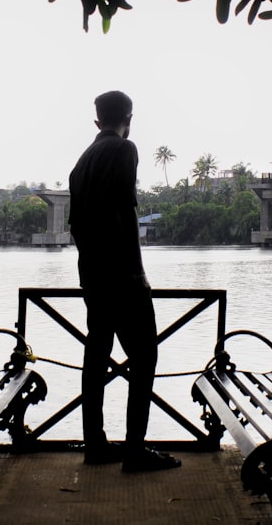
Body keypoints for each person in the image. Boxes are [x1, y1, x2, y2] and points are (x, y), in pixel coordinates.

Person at [68, 90, 181, 473]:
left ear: (97, 121)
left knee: (95, 357)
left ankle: (95, 443)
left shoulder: (80, 164)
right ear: (128, 118)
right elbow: (123, 214)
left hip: (93, 276)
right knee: (145, 357)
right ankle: (134, 450)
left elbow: (78, 227)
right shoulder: (124, 149)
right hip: (122, 276)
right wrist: (137, 274)